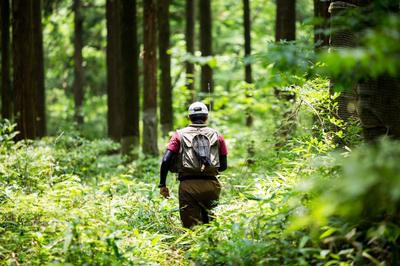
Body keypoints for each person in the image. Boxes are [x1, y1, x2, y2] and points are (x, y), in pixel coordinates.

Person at [158, 102, 228, 228]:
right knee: (211, 226)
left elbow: (165, 160)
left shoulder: (179, 135)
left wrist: (163, 184)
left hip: (188, 186)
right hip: (211, 185)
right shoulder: (218, 135)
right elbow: (223, 166)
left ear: (189, 117)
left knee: (191, 228)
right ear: (206, 117)